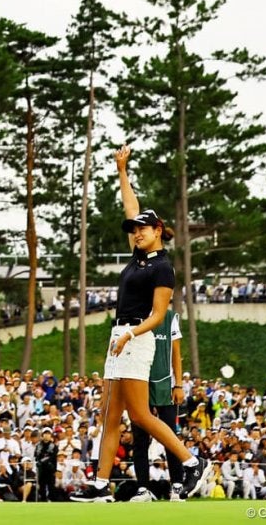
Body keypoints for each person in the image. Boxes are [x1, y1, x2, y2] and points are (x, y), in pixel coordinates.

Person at [71, 145, 206, 503]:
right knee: (110, 414)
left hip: (137, 336)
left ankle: (192, 462)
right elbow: (131, 206)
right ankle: (101, 487)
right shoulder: (139, 257)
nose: (136, 232)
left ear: (158, 230)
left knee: (141, 415)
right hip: (121, 334)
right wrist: (121, 170)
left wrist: (130, 333)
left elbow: (159, 315)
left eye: (143, 228)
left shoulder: (163, 266)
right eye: (134, 230)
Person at [128, 308, 185, 502]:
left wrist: (178, 384)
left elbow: (176, 353)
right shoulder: (134, 314)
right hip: (139, 383)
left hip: (165, 386)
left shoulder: (169, 317)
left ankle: (177, 486)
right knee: (140, 440)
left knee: (170, 437)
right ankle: (143, 489)